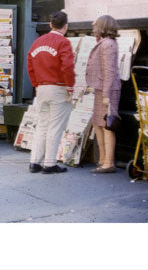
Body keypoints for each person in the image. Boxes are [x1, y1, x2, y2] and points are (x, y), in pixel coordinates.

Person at [27, 11, 76, 174]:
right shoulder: (64, 43)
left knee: (42, 125)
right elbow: (67, 67)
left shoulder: (37, 42)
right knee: (55, 127)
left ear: (50, 25)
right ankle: (49, 163)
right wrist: (70, 87)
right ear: (65, 26)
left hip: (41, 88)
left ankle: (35, 162)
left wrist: (36, 84)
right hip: (58, 87)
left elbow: (30, 66)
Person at [85, 15, 122, 174]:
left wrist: (106, 94)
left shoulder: (108, 45)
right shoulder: (104, 42)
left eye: (96, 26)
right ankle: (102, 159)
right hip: (101, 88)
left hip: (107, 90)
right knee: (97, 123)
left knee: (107, 126)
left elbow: (109, 71)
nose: (93, 27)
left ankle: (109, 163)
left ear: (102, 27)